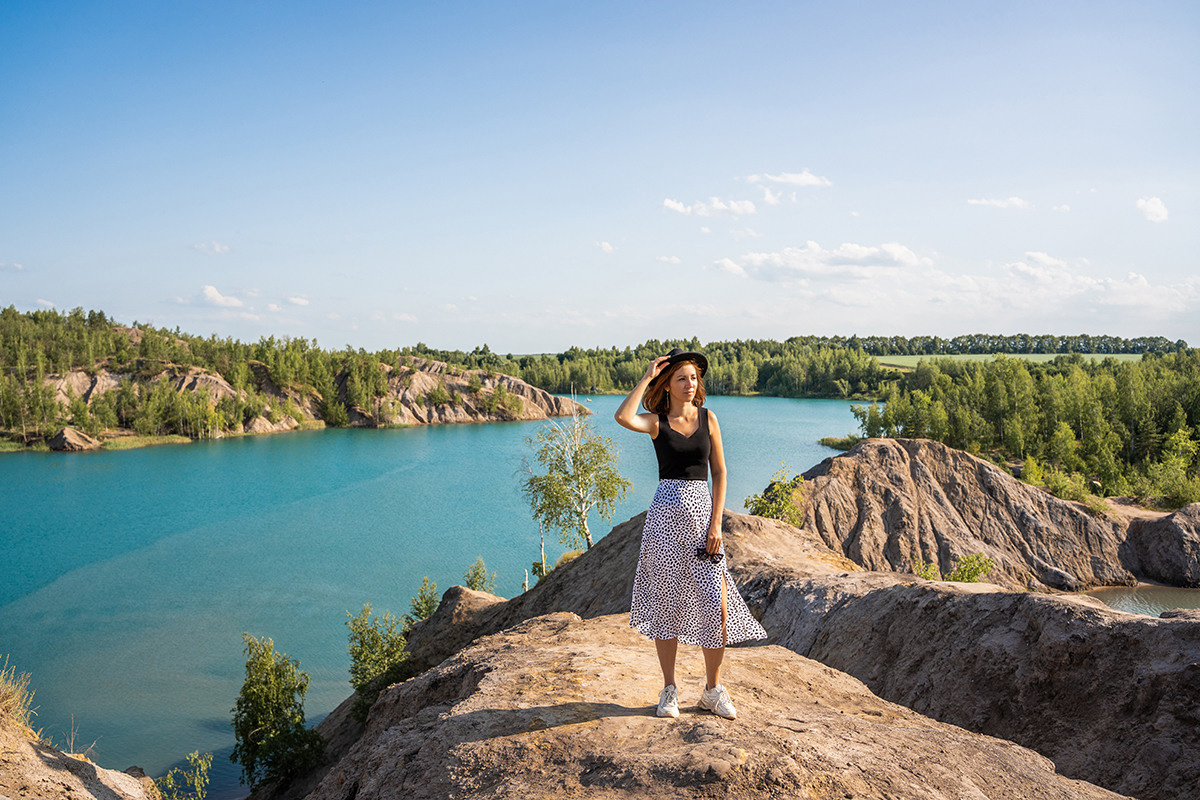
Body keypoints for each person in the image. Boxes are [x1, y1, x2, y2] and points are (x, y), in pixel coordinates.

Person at [614, 347, 767, 720]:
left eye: (694, 377)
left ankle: (712, 691)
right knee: (666, 604)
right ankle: (669, 690)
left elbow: (721, 473)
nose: (689, 384)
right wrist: (648, 375)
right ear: (667, 385)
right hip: (664, 522)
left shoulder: (708, 418)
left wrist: (716, 524)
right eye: (681, 378)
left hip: (703, 523)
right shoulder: (656, 423)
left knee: (716, 605)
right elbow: (622, 416)